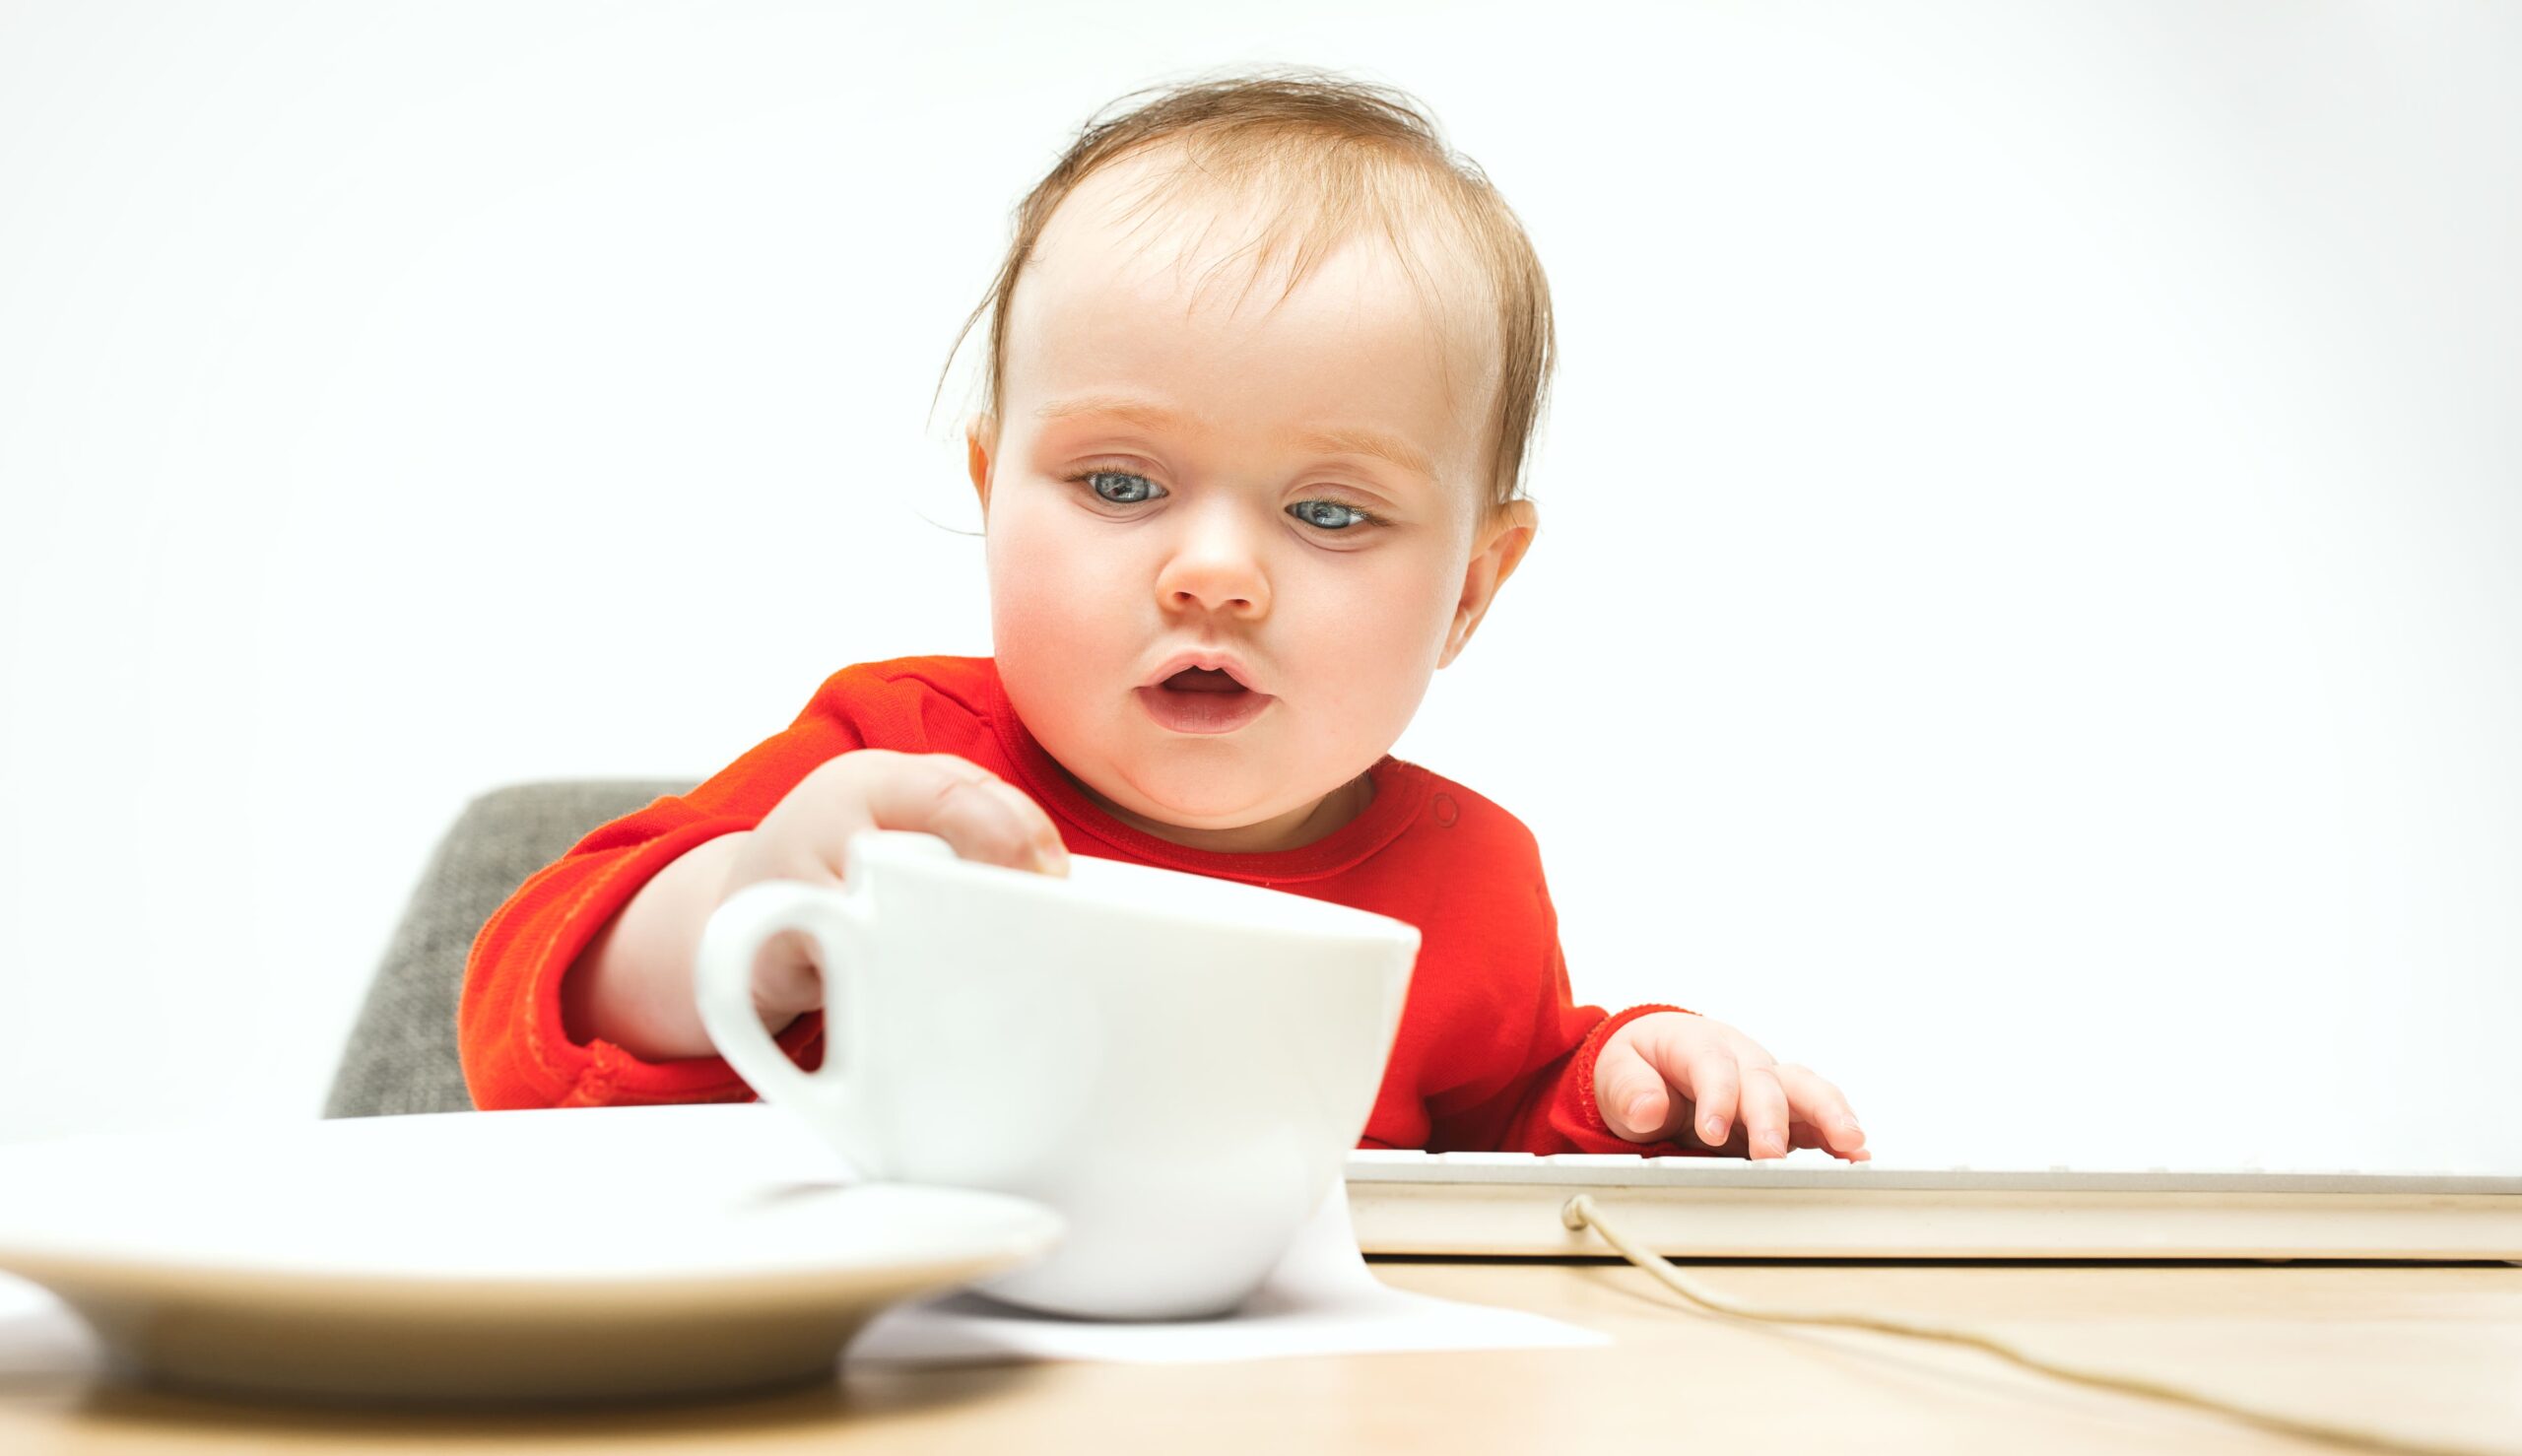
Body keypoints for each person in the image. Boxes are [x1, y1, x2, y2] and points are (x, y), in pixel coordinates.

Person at [458, 68, 1870, 1162]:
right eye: (1121, 482)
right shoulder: (892, 769)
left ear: (1471, 593)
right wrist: (755, 905)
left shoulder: (1475, 886)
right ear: (991, 486)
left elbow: (1502, 1136)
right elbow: (523, 1031)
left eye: (1328, 512)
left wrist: (1631, 1080)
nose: (1214, 573)